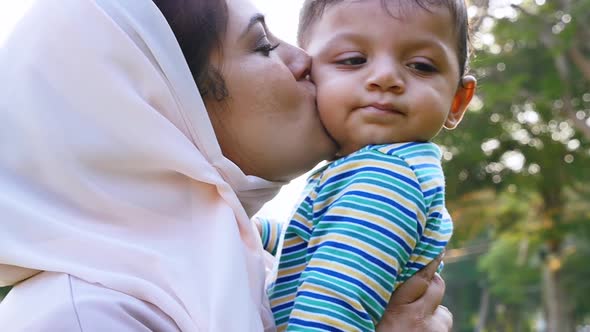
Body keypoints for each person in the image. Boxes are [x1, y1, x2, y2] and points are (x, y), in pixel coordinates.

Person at [0, 0, 451, 331]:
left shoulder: (246, 273)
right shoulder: (82, 316)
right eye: (262, 46)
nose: (304, 61)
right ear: (165, 101)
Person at [258, 0, 477, 330]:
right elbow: (315, 244)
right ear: (306, 74)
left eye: (421, 65)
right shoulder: (376, 172)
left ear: (457, 102)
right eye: (353, 60)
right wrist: (253, 230)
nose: (386, 78)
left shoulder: (386, 178)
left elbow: (335, 311)